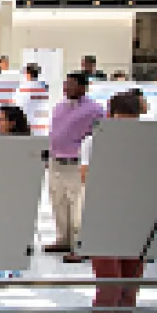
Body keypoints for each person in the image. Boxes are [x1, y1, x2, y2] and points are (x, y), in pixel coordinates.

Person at [86, 92, 144, 313]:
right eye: (121, 121)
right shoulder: (94, 142)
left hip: (137, 221)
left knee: (129, 289)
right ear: (110, 117)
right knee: (110, 287)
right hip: (104, 221)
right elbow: (87, 179)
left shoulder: (147, 144)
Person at [46, 71, 105, 263]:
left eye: (70, 84)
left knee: (78, 205)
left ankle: (80, 246)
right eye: (65, 84)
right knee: (58, 201)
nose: (66, 88)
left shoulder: (95, 110)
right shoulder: (59, 107)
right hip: (56, 161)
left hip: (76, 163)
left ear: (83, 87)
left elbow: (100, 136)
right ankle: (64, 239)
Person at [0, 105, 31, 279]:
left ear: (12, 123)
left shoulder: (25, 145)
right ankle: (0, 267)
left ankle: (15, 267)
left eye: (0, 120)